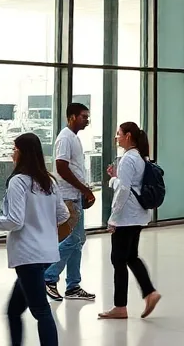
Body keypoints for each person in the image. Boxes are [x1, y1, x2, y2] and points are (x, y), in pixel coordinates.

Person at [0, 133, 68, 346]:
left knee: (41, 311)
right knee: (13, 310)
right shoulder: (48, 181)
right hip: (45, 253)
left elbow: (14, 221)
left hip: (28, 256)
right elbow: (63, 215)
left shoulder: (18, 181)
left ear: (22, 152)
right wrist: (44, 224)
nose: (12, 153)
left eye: (14, 149)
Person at [98, 122, 161, 320]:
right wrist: (115, 177)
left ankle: (120, 306)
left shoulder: (127, 159)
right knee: (131, 256)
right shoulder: (140, 157)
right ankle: (149, 292)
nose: (117, 137)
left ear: (128, 136)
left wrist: (113, 218)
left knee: (118, 259)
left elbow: (124, 190)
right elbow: (130, 184)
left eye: (119, 134)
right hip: (138, 215)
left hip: (126, 217)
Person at [45, 102, 96, 301]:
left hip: (75, 196)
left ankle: (73, 285)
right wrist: (83, 188)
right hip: (67, 197)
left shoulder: (73, 138)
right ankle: (48, 277)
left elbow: (73, 168)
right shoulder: (65, 138)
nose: (87, 120)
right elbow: (62, 167)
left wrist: (84, 190)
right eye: (84, 116)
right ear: (72, 117)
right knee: (73, 239)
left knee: (78, 241)